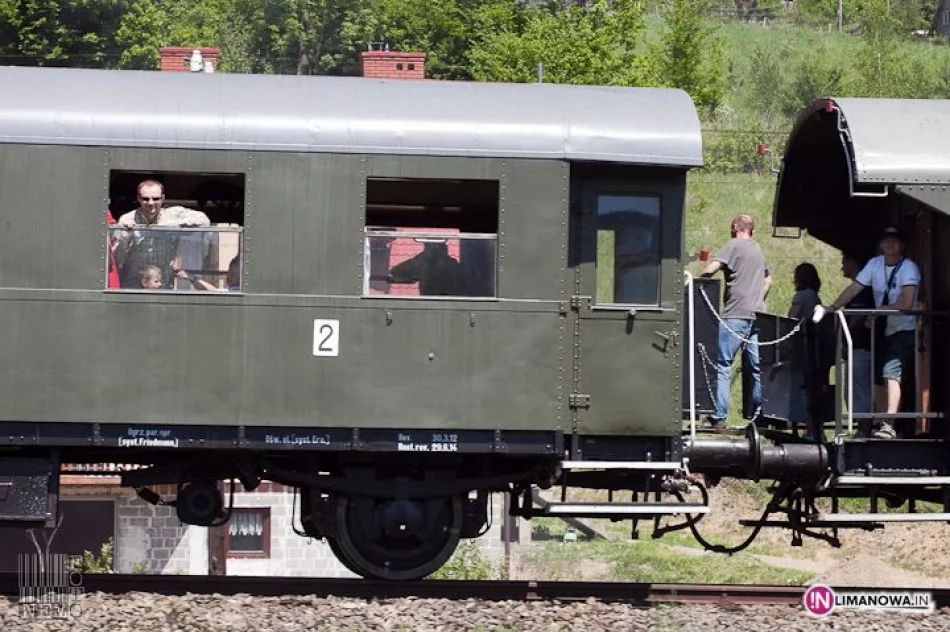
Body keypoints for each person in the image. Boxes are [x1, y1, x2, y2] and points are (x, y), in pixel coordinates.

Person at [819, 227, 920, 439]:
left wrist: (876, 312)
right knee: (881, 377)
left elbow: (906, 303)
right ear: (880, 245)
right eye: (886, 241)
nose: (890, 245)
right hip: (887, 329)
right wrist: (833, 306)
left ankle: (889, 425)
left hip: (905, 328)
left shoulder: (909, 268)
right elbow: (855, 288)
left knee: (890, 372)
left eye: (895, 241)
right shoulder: (875, 265)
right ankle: (881, 423)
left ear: (901, 246)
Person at [700, 214, 772, 430]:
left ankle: (719, 416)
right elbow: (768, 280)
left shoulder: (733, 245)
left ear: (735, 227)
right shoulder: (758, 249)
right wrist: (757, 299)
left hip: (735, 315)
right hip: (758, 315)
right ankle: (760, 416)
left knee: (723, 365)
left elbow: (711, 268)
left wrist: (696, 283)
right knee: (756, 368)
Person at [113, 180, 210, 289]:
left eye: (156, 198)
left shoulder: (174, 214)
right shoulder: (127, 219)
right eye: (145, 199)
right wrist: (125, 237)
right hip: (134, 283)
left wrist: (168, 227)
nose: (151, 203)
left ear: (163, 198)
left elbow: (204, 220)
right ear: (138, 198)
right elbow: (117, 259)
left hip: (163, 283)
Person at [840, 252, 875, 437]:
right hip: (856, 347)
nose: (841, 267)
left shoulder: (863, 289)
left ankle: (864, 428)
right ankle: (862, 425)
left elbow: (859, 317)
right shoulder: (862, 289)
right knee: (852, 389)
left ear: (853, 262)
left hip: (862, 346)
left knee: (860, 387)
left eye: (844, 262)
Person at [788, 263, 822, 439]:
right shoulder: (816, 297)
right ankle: (815, 429)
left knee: (802, 388)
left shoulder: (800, 296)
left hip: (801, 347)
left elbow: (791, 318)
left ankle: (806, 427)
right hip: (815, 347)